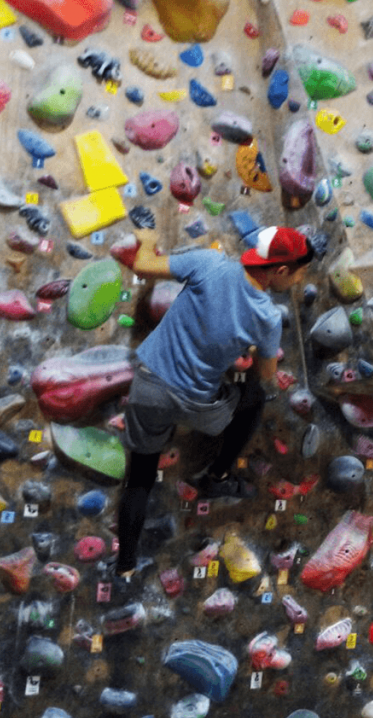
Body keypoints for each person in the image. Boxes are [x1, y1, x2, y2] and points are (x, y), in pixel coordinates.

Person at [113, 227, 312, 579]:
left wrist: (145, 237)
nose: (299, 280)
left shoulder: (208, 263)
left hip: (149, 389)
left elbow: (143, 266)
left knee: (139, 477)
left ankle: (126, 563)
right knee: (252, 398)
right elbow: (267, 374)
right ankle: (217, 474)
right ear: (280, 271)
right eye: (299, 273)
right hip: (196, 405)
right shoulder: (267, 317)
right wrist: (245, 343)